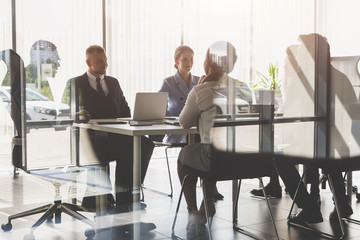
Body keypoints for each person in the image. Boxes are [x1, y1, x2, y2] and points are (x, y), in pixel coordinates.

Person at [275, 33, 353, 224]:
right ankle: (341, 203)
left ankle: (309, 208)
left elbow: (289, 118)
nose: (298, 54)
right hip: (347, 148)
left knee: (280, 157)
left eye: (301, 50)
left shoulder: (301, 79)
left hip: (320, 149)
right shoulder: (342, 77)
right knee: (325, 146)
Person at [70, 45, 154, 211]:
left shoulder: (113, 82)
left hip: (116, 135)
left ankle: (126, 193)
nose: (104, 64)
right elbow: (68, 112)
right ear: (88, 62)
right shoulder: (75, 83)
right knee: (117, 150)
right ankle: (98, 197)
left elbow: (125, 110)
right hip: (91, 139)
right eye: (99, 61)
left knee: (145, 144)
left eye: (106, 60)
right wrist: (80, 115)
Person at [177, 41, 236, 233]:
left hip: (213, 159)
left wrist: (199, 88)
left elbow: (184, 123)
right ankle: (207, 201)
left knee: (186, 155)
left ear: (208, 63)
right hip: (240, 160)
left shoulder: (202, 89)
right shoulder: (242, 89)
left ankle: (194, 211)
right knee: (210, 151)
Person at [159, 45, 224, 200]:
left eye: (192, 59)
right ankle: (209, 191)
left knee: (205, 142)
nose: (189, 62)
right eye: (185, 59)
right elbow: (160, 106)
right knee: (204, 144)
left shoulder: (200, 81)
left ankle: (208, 192)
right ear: (176, 61)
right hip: (180, 128)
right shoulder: (168, 82)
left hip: (197, 128)